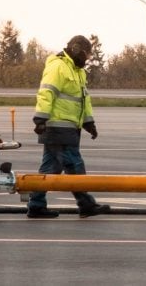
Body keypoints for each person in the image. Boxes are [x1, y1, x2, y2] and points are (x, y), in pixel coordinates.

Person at [25, 35, 110, 219]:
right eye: (86, 55)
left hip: (69, 128)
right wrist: (40, 118)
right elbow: (46, 92)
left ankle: (36, 205)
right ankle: (85, 204)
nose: (86, 59)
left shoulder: (78, 72)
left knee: (53, 168)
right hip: (57, 128)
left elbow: (83, 99)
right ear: (77, 50)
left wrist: (89, 122)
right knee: (74, 166)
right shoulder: (58, 67)